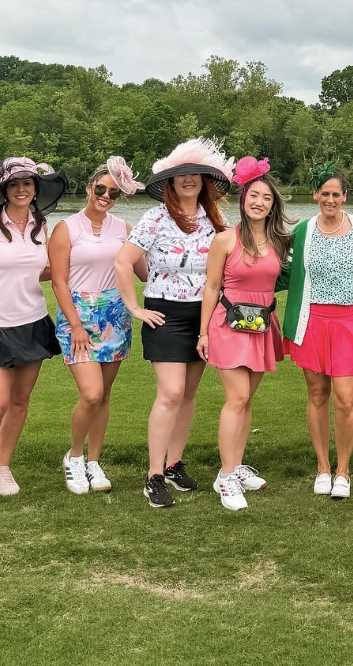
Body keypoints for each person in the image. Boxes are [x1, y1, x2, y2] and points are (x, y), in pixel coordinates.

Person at [114, 138, 234, 508]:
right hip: (164, 313)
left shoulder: (216, 220)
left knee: (188, 394)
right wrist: (135, 309)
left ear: (205, 180)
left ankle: (174, 464)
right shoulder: (156, 218)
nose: (188, 180)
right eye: (181, 175)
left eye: (195, 175)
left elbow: (231, 263)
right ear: (170, 181)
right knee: (169, 392)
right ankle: (153, 475)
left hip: (204, 314)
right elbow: (122, 262)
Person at [0, 157, 68, 498]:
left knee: (20, 401)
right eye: (14, 184)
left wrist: (78, 263)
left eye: (27, 183)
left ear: (36, 189)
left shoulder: (41, 224)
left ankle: (1, 467)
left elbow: (42, 270)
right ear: (4, 190)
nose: (22, 189)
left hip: (32, 322)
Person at [197, 157, 293, 511]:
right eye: (254, 195)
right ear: (243, 199)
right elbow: (210, 287)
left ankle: (235, 467)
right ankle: (225, 477)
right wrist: (203, 333)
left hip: (262, 326)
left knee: (246, 401)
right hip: (228, 325)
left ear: (273, 206)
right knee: (236, 399)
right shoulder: (224, 239)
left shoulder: (278, 242)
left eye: (266, 198)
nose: (259, 202)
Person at [280, 161, 353, 500]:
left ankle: (343, 471)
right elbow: (284, 273)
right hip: (312, 321)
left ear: (345, 197)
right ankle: (322, 467)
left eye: (336, 194)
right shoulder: (302, 231)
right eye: (325, 193)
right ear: (315, 195)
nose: (330, 199)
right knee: (317, 395)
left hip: (350, 321)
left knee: (345, 399)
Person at [49, 156, 144, 495]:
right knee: (90, 394)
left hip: (114, 314)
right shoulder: (66, 228)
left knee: (103, 395)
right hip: (78, 314)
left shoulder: (124, 229)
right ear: (89, 188)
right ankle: (74, 458)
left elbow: (144, 271)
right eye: (101, 189)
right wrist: (74, 325)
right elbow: (58, 282)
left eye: (114, 193)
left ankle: (93, 460)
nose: (106, 196)